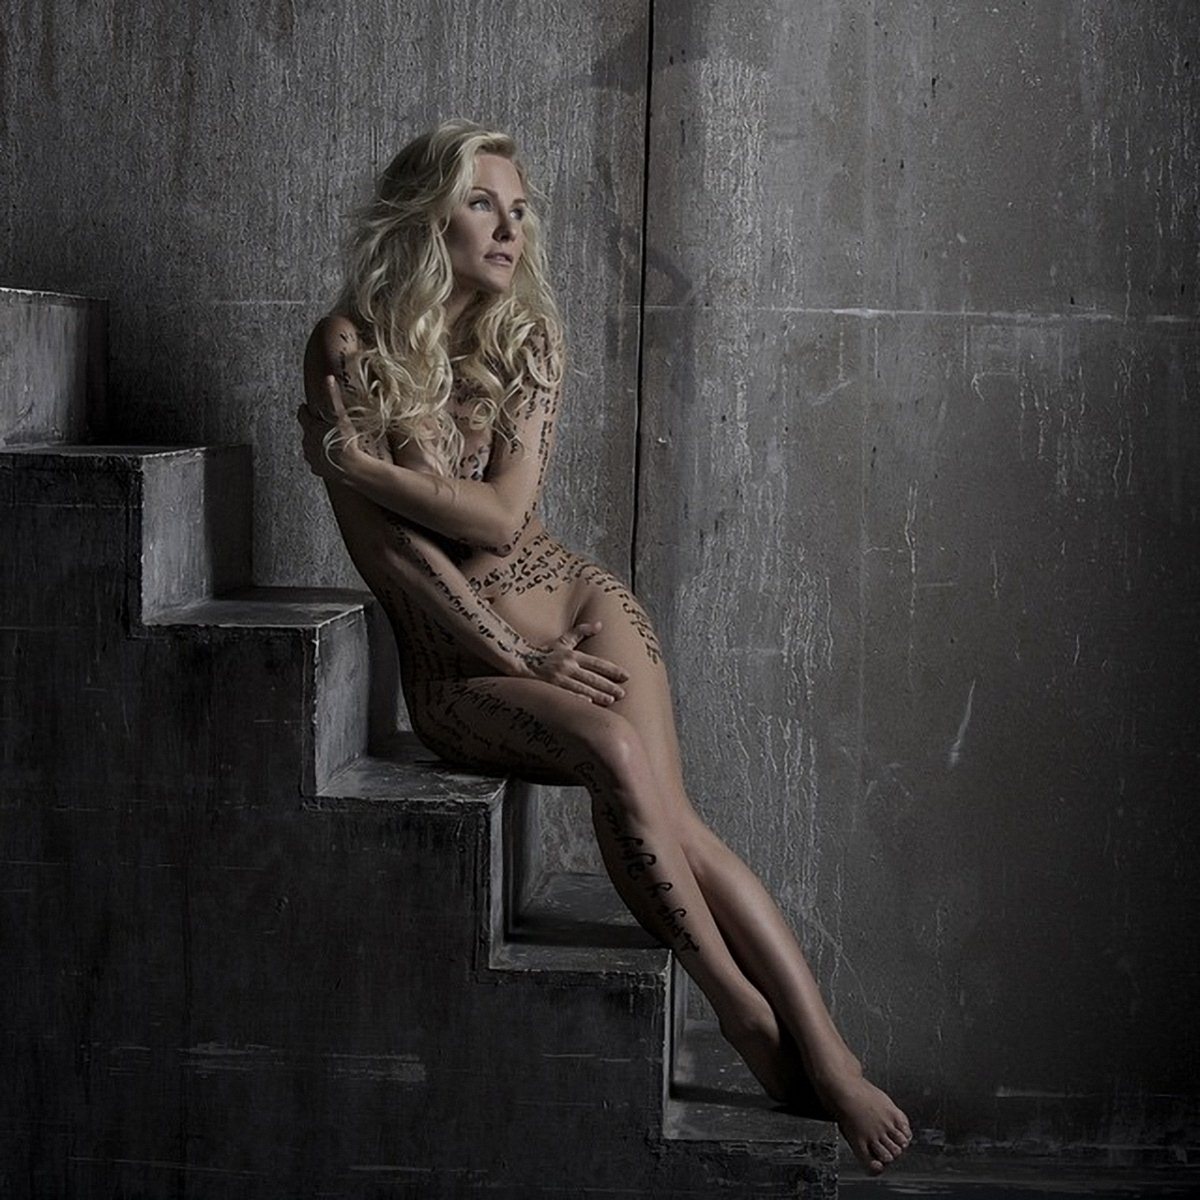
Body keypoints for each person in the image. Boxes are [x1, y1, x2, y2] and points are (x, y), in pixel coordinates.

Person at [296, 118, 911, 1176]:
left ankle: (829, 1048)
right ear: (426, 214)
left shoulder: (529, 339)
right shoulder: (347, 347)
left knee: (680, 818)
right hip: (465, 668)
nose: (509, 228)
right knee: (615, 756)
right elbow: (398, 558)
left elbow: (500, 519)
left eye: (520, 210)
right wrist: (515, 655)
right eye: (483, 203)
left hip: (576, 596)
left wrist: (357, 467)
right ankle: (736, 1007)